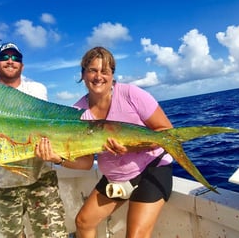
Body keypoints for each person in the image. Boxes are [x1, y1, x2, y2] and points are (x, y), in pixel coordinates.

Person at [37, 46, 174, 238]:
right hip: (116, 178)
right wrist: (56, 158)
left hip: (152, 170)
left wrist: (130, 147)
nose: (98, 76)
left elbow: (166, 132)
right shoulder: (77, 114)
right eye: (92, 70)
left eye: (105, 71)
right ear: (83, 74)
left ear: (112, 75)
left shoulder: (131, 94)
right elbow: (85, 164)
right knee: (83, 222)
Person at [0, 42, 68, 238]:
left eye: (15, 58)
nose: (10, 61)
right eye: (4, 57)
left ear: (22, 66)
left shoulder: (36, 89)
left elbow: (33, 118)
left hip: (41, 178)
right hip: (7, 183)